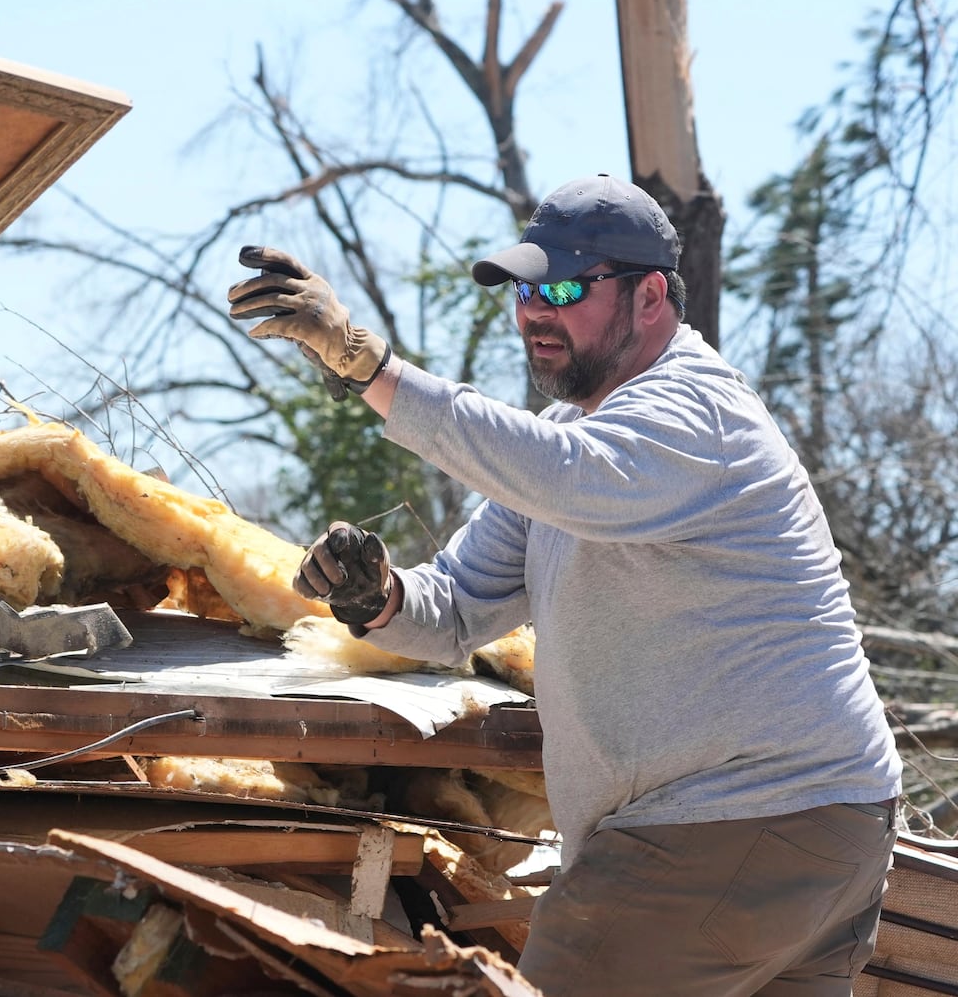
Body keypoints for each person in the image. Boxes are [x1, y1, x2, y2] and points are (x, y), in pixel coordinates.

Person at [227, 174, 902, 996]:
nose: (534, 311)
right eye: (524, 290)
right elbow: (459, 607)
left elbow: (569, 478)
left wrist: (364, 364)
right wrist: (379, 597)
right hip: (810, 826)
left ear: (650, 295)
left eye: (565, 287)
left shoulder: (694, 410)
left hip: (732, 818)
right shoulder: (570, 443)